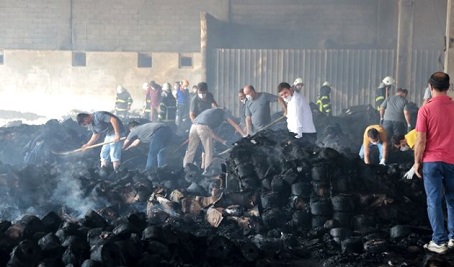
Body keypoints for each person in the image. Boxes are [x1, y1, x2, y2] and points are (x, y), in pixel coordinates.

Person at [412, 72, 454, 254]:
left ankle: (439, 241)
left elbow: (420, 140)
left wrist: (416, 162)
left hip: (432, 162)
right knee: (452, 200)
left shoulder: (425, 110)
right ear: (448, 86)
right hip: (452, 161)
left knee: (434, 201)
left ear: (430, 86)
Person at [183, 108, 245, 175]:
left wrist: (223, 141)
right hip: (203, 127)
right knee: (208, 151)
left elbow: (211, 134)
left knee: (190, 150)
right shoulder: (223, 113)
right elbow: (235, 125)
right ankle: (207, 171)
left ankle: (186, 169)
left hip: (193, 126)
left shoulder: (212, 112)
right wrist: (244, 135)